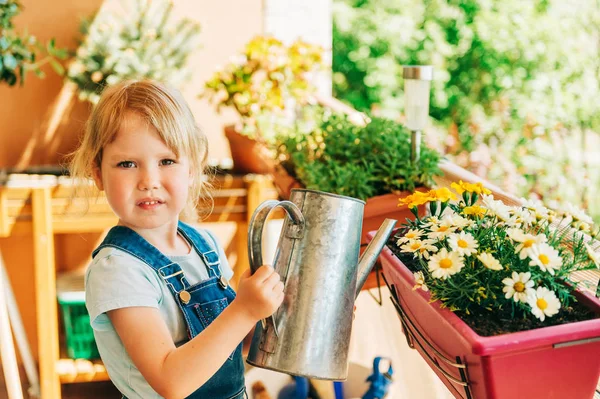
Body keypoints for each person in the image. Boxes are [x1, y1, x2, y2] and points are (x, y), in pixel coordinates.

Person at [69, 80, 284, 399]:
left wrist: (276, 314)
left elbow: (225, 352)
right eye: (127, 163)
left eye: (166, 161)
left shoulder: (205, 246)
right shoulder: (118, 270)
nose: (148, 181)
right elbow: (171, 381)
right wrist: (244, 311)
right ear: (98, 173)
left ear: (192, 169)